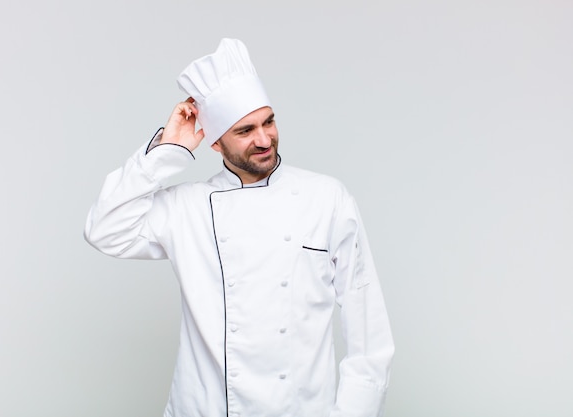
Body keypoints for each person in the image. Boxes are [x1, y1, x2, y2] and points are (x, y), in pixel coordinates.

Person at [84, 38, 394, 417]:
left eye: (269, 122)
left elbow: (369, 330)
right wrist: (167, 149)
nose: (264, 139)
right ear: (215, 143)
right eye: (245, 131)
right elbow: (104, 229)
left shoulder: (327, 198)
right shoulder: (187, 207)